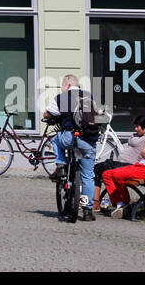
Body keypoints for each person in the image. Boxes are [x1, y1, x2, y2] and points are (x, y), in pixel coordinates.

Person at [42, 74, 102, 221]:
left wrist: (53, 116)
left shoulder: (61, 98)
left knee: (55, 140)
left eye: (62, 85)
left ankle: (61, 165)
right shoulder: (88, 97)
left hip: (69, 137)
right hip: (88, 141)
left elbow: (47, 113)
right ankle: (87, 211)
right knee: (88, 176)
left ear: (67, 85)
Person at [90, 115, 145, 212]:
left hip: (129, 166)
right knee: (98, 169)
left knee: (103, 166)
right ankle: (95, 202)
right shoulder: (136, 136)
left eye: (138, 126)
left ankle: (115, 202)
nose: (135, 129)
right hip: (122, 164)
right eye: (135, 126)